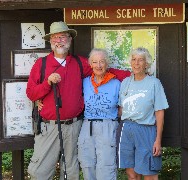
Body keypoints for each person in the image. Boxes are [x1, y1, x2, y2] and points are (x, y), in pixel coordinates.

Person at [26, 21, 130, 180]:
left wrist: (135, 76)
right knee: (40, 172)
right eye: (55, 38)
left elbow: (103, 70)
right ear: (50, 41)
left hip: (75, 126)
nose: (59, 41)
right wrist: (47, 83)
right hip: (49, 126)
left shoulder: (79, 63)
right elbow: (31, 93)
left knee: (71, 171)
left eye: (63, 37)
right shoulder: (42, 64)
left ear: (69, 40)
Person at [117, 47, 169, 180]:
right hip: (126, 129)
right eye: (134, 59)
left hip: (146, 130)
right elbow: (121, 109)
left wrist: (158, 140)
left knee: (149, 174)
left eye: (141, 60)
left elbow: (159, 112)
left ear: (146, 64)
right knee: (132, 174)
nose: (136, 63)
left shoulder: (154, 83)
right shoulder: (125, 82)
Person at [78, 48, 120, 180]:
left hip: (108, 126)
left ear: (107, 64)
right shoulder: (84, 82)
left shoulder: (116, 83)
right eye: (95, 62)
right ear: (90, 65)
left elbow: (122, 108)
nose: (99, 65)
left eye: (102, 62)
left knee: (106, 167)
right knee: (87, 164)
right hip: (87, 126)